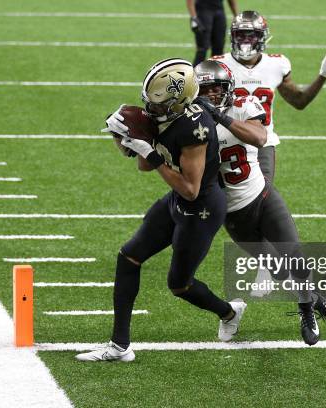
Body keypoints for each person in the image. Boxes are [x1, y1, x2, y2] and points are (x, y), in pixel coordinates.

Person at [75, 58, 246, 362]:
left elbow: (191, 190)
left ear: (178, 101)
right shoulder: (165, 111)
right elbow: (144, 166)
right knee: (128, 256)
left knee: (179, 285)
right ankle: (120, 346)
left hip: (202, 208)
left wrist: (151, 153)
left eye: (158, 105)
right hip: (177, 200)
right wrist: (132, 140)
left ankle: (229, 312)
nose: (152, 110)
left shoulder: (196, 127)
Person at [194, 60, 326, 345]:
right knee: (278, 270)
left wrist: (220, 117)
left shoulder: (244, 104)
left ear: (228, 88)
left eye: (217, 90)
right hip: (232, 214)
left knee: (296, 259)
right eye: (205, 91)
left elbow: (260, 136)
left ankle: (307, 310)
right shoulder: (191, 122)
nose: (211, 96)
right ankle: (321, 302)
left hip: (263, 198)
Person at [213, 10, 326, 184]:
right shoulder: (218, 65)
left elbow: (299, 101)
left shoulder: (276, 64)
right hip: (227, 140)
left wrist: (323, 75)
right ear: (232, 36)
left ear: (262, 37)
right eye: (240, 35)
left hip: (262, 143)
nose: (245, 41)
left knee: (261, 197)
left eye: (251, 36)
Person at [187, 0, 239, 66]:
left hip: (219, 10)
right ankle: (194, 74)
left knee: (219, 47)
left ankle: (215, 74)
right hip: (203, 11)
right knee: (202, 48)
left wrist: (236, 16)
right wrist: (193, 17)